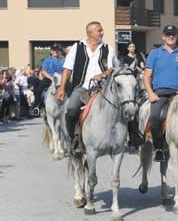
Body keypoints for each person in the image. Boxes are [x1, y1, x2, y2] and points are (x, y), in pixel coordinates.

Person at [56, 22, 118, 154]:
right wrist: (62, 88)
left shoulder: (108, 48)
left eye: (102, 30)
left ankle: (129, 137)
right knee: (72, 109)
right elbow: (67, 69)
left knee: (125, 106)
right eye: (99, 31)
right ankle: (73, 139)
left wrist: (102, 74)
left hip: (103, 88)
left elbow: (111, 69)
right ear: (90, 33)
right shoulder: (77, 47)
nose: (102, 33)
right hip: (82, 87)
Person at [145, 25, 178, 162]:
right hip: (160, 92)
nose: (171, 36)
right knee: (155, 116)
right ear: (163, 37)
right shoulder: (154, 53)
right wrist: (150, 93)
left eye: (173, 34)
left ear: (177, 36)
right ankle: (158, 149)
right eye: (168, 34)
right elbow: (147, 76)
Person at [32, 44, 64, 113]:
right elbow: (44, 71)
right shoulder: (47, 60)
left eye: (57, 50)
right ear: (51, 51)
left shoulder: (62, 61)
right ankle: (36, 106)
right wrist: (51, 78)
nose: (56, 51)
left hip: (61, 79)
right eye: (54, 50)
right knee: (39, 90)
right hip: (49, 78)